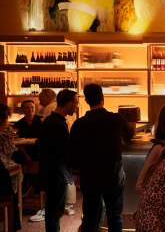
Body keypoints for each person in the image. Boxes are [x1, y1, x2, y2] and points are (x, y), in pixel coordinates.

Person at [68, 83, 133, 232]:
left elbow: (72, 152)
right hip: (112, 174)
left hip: (89, 176)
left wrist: (76, 173)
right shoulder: (116, 119)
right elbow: (130, 134)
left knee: (90, 215)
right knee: (114, 215)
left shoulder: (79, 124)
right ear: (102, 98)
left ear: (86, 101)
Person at [38, 89, 78, 232]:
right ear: (67, 103)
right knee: (54, 211)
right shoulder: (57, 124)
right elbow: (63, 153)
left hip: (51, 172)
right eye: (75, 103)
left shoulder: (52, 121)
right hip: (55, 174)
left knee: (53, 210)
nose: (76, 106)